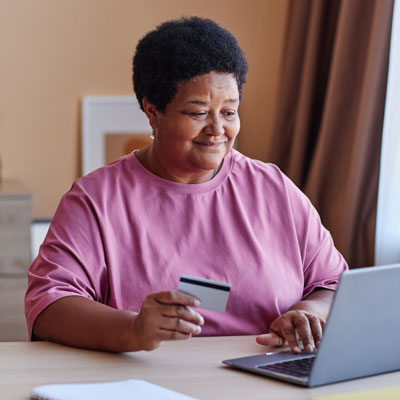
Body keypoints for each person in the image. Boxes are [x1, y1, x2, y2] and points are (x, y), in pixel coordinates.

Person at [25, 17, 348, 354]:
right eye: (198, 113)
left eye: (229, 112)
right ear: (153, 111)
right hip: (148, 382)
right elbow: (49, 306)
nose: (217, 129)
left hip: (266, 379)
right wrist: (132, 330)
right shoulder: (95, 200)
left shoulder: (274, 190)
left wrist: (309, 312)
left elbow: (334, 285)